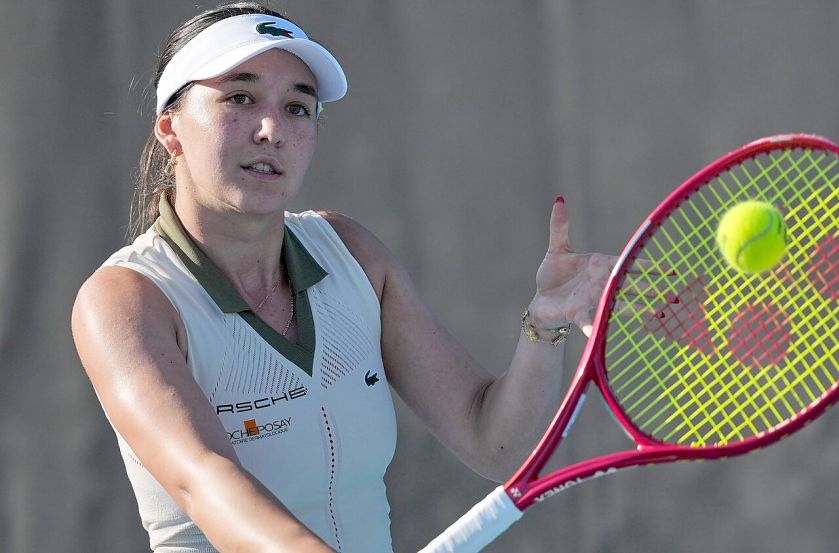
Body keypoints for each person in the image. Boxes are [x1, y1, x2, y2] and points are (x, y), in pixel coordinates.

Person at [71, 3, 615, 552]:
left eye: (298, 108)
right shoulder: (124, 301)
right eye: (240, 97)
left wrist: (545, 328)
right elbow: (205, 481)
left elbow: (498, 447)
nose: (272, 130)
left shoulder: (352, 254)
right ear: (171, 129)